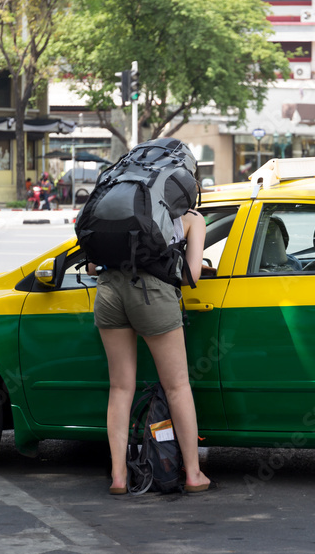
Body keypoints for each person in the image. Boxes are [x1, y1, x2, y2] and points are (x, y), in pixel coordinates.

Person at [89, 210, 214, 495]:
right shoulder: (191, 218)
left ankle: (118, 477)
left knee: (120, 387)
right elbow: (191, 276)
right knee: (177, 386)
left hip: (108, 291)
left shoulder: (120, 207)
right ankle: (193, 474)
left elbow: (93, 268)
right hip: (151, 293)